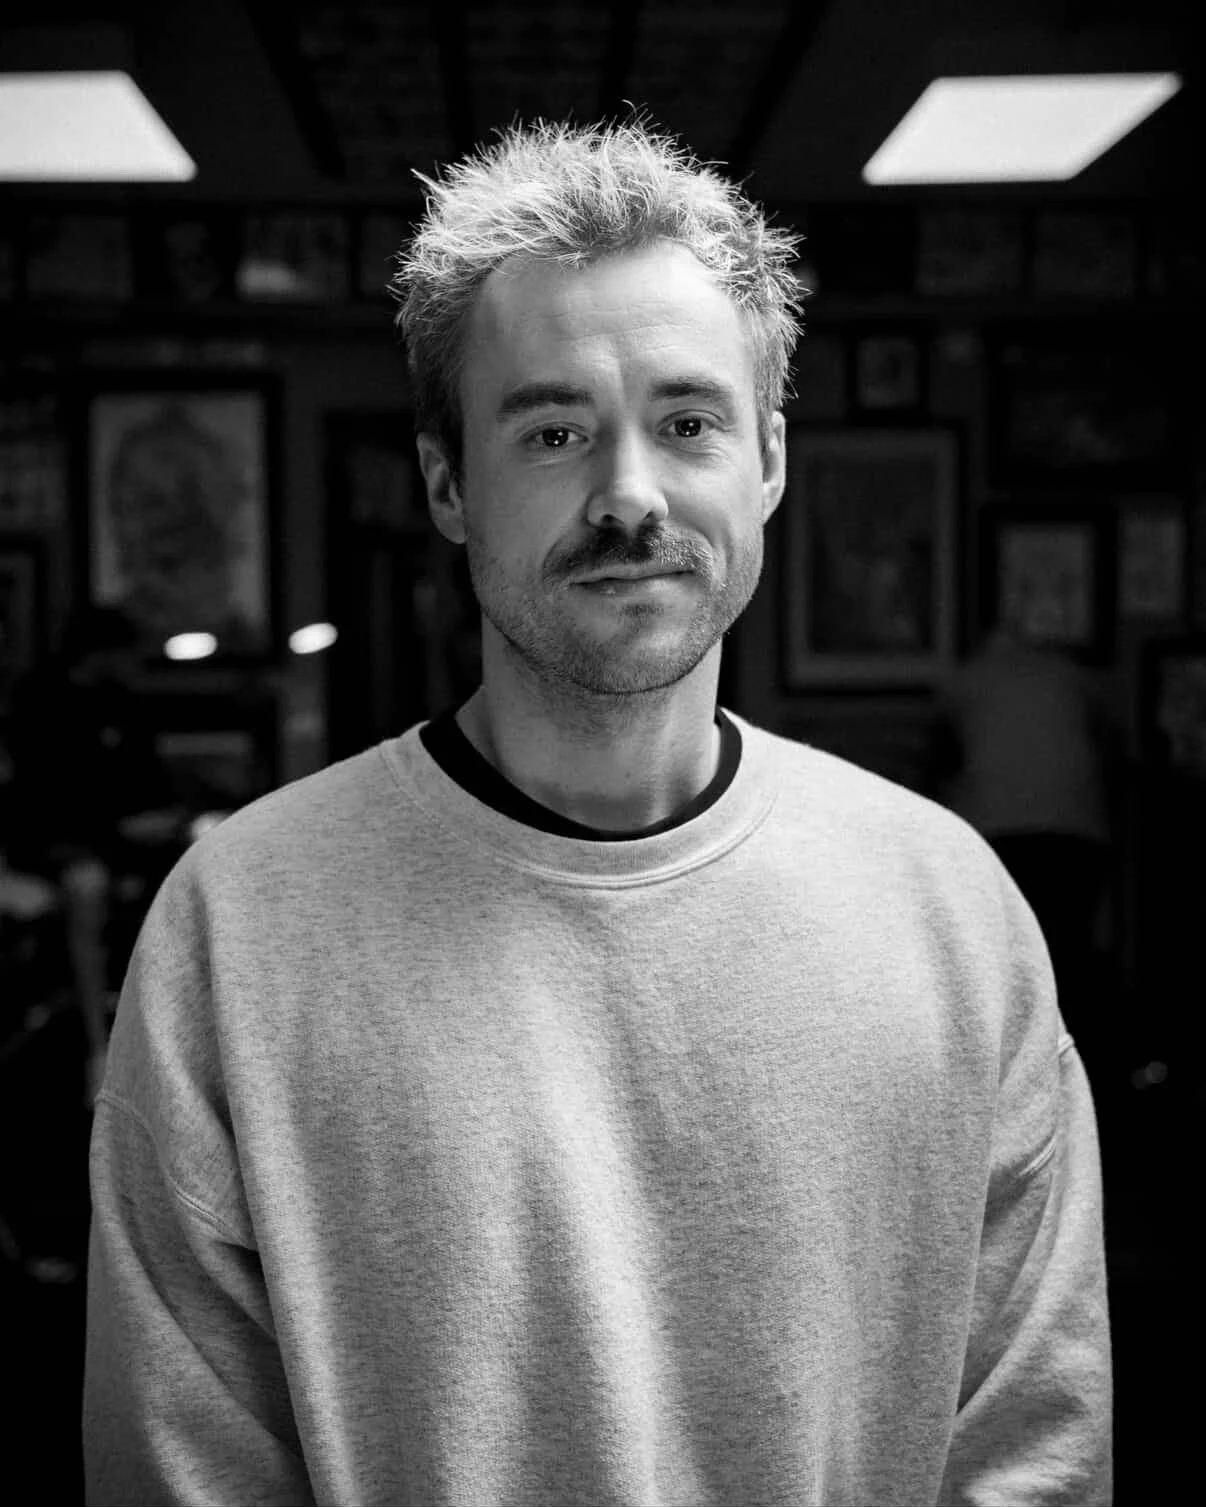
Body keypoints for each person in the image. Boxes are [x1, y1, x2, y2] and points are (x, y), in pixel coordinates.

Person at [82, 119, 1112, 1505]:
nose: (628, 495)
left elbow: (1032, 1458)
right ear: (449, 481)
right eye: (554, 429)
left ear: (767, 463)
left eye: (687, 421)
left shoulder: (951, 912)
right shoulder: (238, 928)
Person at [3, 604, 184, 1104]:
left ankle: (178, 1043)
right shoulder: (39, 699)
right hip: (56, 838)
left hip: (126, 840)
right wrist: (122, 826)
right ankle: (96, 1046)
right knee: (89, 886)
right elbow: (43, 796)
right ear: (100, 652)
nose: (134, 662)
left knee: (198, 869)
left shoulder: (123, 702)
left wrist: (159, 816)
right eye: (125, 652)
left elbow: (148, 777)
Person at [924, 608, 1128, 1040]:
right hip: (1079, 834)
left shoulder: (964, 681)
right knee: (1069, 957)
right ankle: (1076, 1065)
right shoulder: (1071, 675)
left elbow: (937, 762)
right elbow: (1112, 749)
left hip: (999, 834)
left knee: (1003, 960)